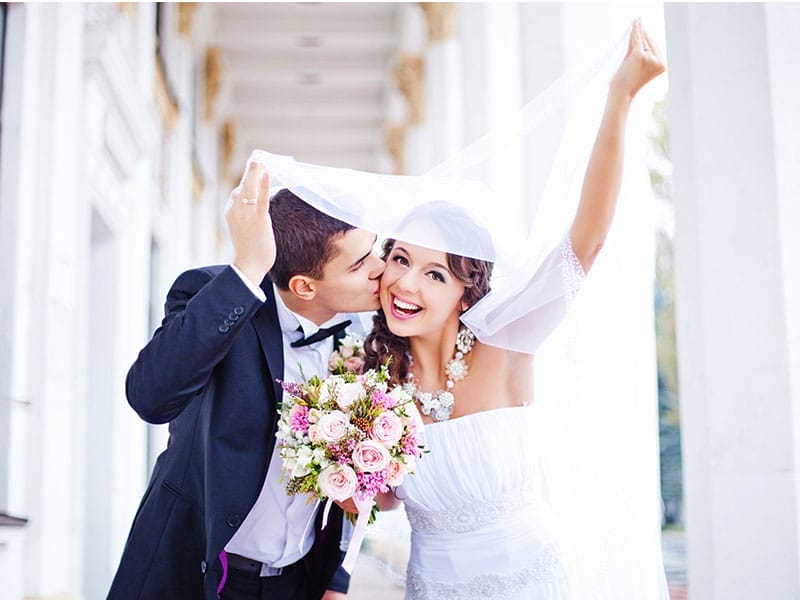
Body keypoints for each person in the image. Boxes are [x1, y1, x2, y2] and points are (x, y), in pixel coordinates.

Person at [356, 20, 668, 599]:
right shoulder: (371, 384)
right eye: (399, 259)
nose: (405, 283)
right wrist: (344, 468)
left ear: (464, 291)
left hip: (532, 582)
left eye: (435, 273)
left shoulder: (505, 342)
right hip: (434, 585)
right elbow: (380, 499)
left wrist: (619, 99)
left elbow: (586, 242)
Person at [108, 161, 384, 600]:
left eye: (376, 250)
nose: (381, 269)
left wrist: (337, 578)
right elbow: (150, 398)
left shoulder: (367, 339)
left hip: (299, 583)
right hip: (195, 571)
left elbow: (362, 474)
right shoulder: (216, 294)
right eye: (360, 264)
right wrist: (246, 270)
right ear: (305, 286)